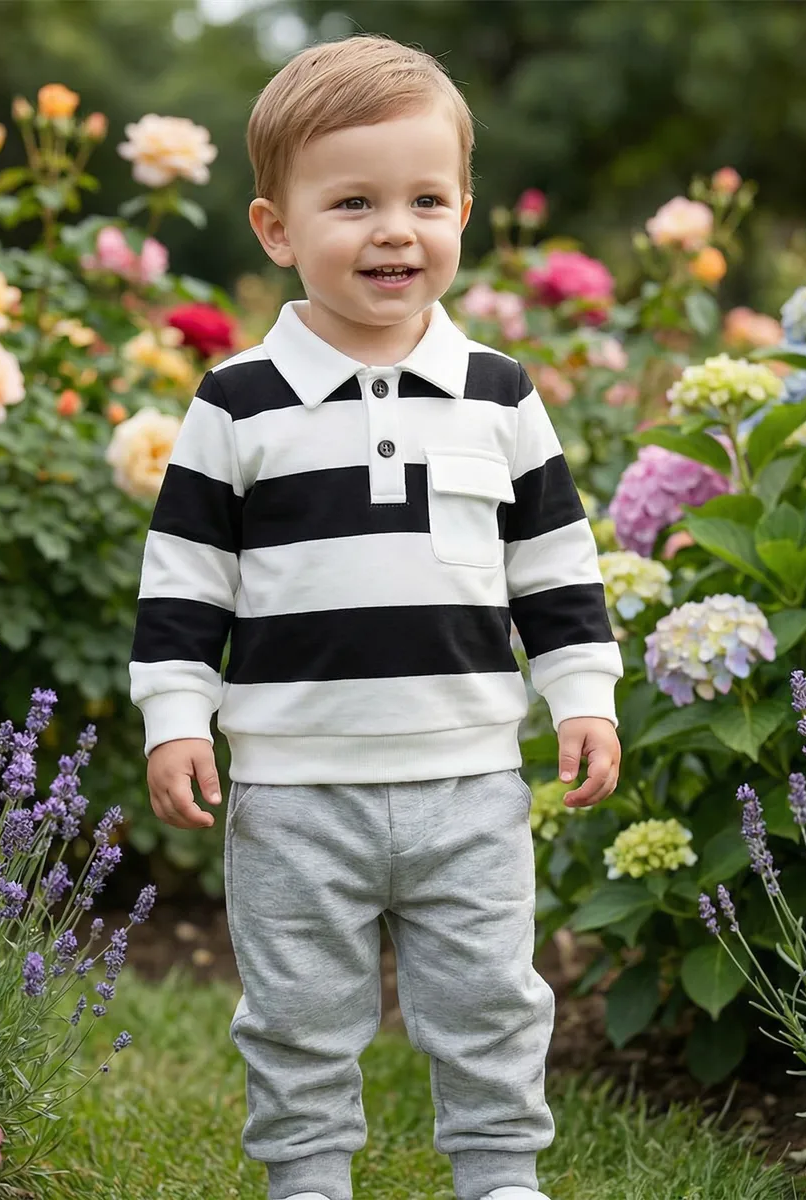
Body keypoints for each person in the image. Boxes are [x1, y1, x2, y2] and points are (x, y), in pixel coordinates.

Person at [128, 33, 623, 1200]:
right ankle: (306, 1176)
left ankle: (500, 1175)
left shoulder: (499, 392)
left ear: (464, 212)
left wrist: (584, 695)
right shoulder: (240, 403)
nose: (394, 230)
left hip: (468, 775)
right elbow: (187, 576)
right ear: (277, 229)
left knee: (492, 996)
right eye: (352, 201)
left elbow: (552, 562)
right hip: (297, 787)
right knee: (298, 1008)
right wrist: (174, 717)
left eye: (425, 199)